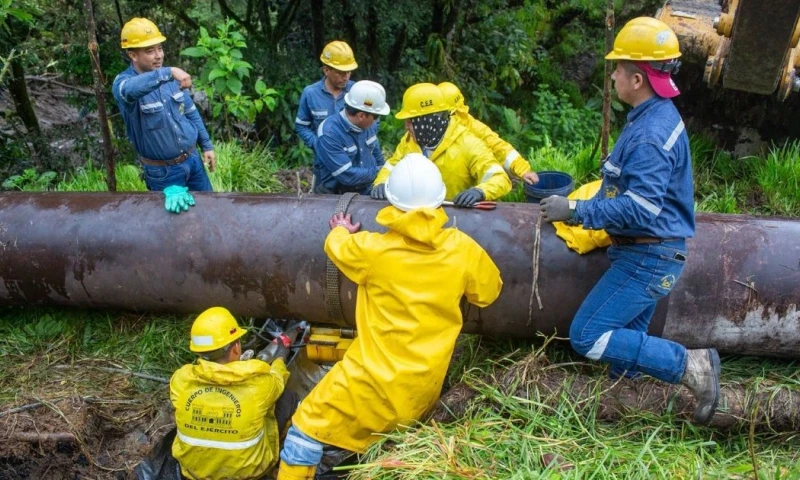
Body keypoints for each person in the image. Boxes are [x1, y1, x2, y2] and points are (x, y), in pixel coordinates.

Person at [276, 154, 503, 479]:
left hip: (370, 381)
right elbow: (489, 292)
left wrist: (341, 230)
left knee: (304, 428)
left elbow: (336, 246)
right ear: (440, 202)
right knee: (384, 439)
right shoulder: (462, 249)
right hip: (421, 389)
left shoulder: (373, 251)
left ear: (393, 208)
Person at [539, 17, 720, 425]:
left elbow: (640, 208)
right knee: (626, 359)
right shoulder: (651, 117)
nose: (614, 75)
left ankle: (692, 366)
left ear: (638, 79)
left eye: (618, 68)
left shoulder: (651, 135)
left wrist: (575, 211)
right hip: (644, 253)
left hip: (648, 258)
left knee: (588, 336)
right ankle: (623, 416)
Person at [170, 307, 297, 479]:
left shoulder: (180, 380)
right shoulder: (258, 384)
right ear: (236, 348)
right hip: (249, 473)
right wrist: (281, 356)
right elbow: (278, 379)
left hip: (194, 472)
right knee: (287, 398)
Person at [112, 18, 215, 203]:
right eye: (150, 51)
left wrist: (206, 145)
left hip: (193, 160)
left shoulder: (172, 80)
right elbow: (128, 91)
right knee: (174, 226)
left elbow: (190, 112)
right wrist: (168, 72)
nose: (158, 55)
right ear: (133, 55)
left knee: (209, 209)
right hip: (164, 173)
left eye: (160, 48)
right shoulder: (124, 83)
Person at [371, 83, 511, 207]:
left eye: (410, 121)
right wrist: (382, 182)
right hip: (413, 214)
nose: (406, 126)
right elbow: (392, 166)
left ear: (428, 121)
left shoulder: (468, 144)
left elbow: (500, 178)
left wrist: (480, 192)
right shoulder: (409, 141)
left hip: (454, 217)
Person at [438, 81, 540, 185]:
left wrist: (523, 170)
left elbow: (498, 146)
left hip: (466, 193)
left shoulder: (470, 125)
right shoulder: (426, 129)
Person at [312, 80, 389, 195]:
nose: (377, 120)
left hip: (366, 189)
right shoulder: (329, 133)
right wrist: (379, 171)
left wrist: (383, 178)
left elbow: (377, 156)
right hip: (333, 194)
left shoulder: (369, 126)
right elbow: (346, 175)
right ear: (361, 116)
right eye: (376, 116)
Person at [295, 41, 358, 150]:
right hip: (324, 163)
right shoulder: (311, 94)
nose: (346, 77)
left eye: (348, 72)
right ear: (326, 70)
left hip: (354, 160)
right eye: (340, 73)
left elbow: (372, 122)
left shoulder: (357, 91)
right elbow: (301, 126)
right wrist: (318, 145)